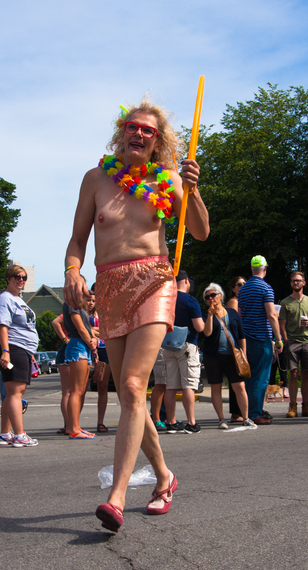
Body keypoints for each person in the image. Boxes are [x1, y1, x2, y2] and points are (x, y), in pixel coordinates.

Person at [63, 99, 209, 532]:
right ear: (121, 133)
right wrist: (73, 270)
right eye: (132, 126)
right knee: (131, 397)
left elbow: (199, 231)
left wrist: (193, 188)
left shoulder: (168, 181)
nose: (139, 134)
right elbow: (77, 241)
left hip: (155, 281)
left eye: (148, 130)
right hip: (108, 288)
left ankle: (117, 497)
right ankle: (165, 478)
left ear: (157, 140)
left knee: (131, 383)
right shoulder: (95, 179)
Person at [202, 283, 255, 429]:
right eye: (207, 297)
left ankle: (246, 417)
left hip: (233, 356)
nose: (210, 298)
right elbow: (207, 333)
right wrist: (210, 315)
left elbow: (241, 335)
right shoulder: (206, 314)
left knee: (240, 386)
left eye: (213, 295)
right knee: (216, 387)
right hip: (213, 356)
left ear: (220, 295)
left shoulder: (232, 313)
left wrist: (243, 354)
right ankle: (221, 419)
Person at [238, 255, 283, 425]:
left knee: (249, 377)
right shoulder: (266, 288)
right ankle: (255, 413)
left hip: (246, 338)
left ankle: (248, 411)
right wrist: (278, 340)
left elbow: (240, 315)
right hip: (261, 336)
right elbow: (271, 314)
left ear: (251, 269)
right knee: (260, 377)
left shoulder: (243, 289)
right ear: (265, 268)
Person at [0, 265, 39, 447]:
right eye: (17, 276)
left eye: (23, 277)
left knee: (12, 393)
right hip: (14, 348)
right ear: (8, 278)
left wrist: (30, 353)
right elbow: (3, 326)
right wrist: (6, 352)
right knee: (16, 392)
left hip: (23, 350)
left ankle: (5, 433)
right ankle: (19, 435)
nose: (21, 279)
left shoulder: (19, 300)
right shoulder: (5, 298)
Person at [162, 270, 204, 433]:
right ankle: (191, 422)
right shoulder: (190, 301)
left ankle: (171, 422)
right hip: (187, 345)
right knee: (188, 384)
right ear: (186, 281)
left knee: (171, 385)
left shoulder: (166, 299)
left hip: (168, 344)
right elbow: (199, 327)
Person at [279, 271, 308, 418]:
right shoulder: (285, 302)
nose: (296, 283)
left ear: (304, 283)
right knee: (293, 373)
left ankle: (306, 405)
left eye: (299, 280)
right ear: (291, 283)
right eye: (293, 281)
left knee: (306, 373)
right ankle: (293, 406)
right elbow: (281, 324)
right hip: (293, 341)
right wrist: (285, 339)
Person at [63, 276, 98, 439]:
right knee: (75, 390)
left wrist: (93, 343)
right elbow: (81, 328)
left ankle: (76, 427)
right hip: (77, 345)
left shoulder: (80, 305)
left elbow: (88, 328)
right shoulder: (72, 304)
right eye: (83, 284)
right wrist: (90, 342)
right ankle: (73, 429)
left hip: (83, 346)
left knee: (81, 390)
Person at [87, 290, 111, 432]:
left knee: (103, 386)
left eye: (94, 301)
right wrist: (96, 331)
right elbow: (84, 329)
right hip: (88, 349)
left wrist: (93, 330)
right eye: (89, 300)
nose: (91, 303)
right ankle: (73, 423)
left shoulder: (104, 312)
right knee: (82, 388)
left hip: (105, 349)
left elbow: (107, 329)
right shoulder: (82, 313)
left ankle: (100, 422)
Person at [226, 276, 246, 421]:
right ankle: (236, 412)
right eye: (238, 284)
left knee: (241, 376)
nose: (241, 286)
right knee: (237, 376)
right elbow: (234, 324)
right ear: (233, 288)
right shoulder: (234, 302)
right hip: (235, 343)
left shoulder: (244, 301)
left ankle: (241, 410)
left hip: (243, 340)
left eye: (244, 284)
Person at [52, 313, 71, 434]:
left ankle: (72, 424)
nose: (90, 302)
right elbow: (55, 322)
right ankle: (69, 425)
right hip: (67, 351)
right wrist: (64, 339)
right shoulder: (71, 310)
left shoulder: (85, 313)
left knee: (76, 392)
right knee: (68, 392)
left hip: (79, 350)